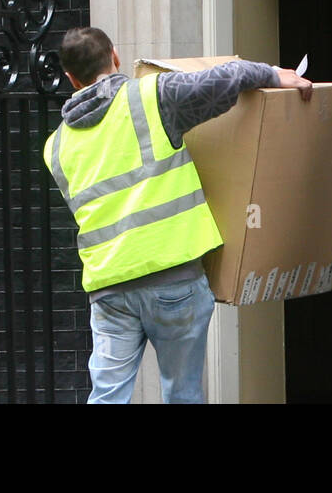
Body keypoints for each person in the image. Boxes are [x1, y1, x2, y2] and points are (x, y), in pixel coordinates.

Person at [44, 26, 311, 403]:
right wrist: (276, 75)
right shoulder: (152, 97)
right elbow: (226, 78)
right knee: (182, 393)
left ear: (71, 78)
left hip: (109, 289)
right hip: (173, 281)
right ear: (115, 57)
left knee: (106, 395)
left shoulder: (55, 146)